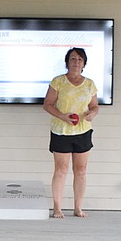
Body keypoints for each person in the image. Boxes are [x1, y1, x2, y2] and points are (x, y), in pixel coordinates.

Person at [42, 47, 99, 218]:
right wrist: (62, 116)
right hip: (61, 131)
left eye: (80, 59)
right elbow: (47, 104)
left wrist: (92, 113)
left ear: (84, 64)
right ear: (67, 62)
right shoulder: (58, 81)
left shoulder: (89, 84)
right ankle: (57, 207)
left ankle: (77, 207)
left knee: (80, 170)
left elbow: (94, 106)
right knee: (61, 170)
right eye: (73, 59)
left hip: (83, 132)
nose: (76, 62)